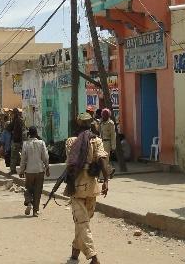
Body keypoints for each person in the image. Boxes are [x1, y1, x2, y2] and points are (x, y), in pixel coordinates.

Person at [65, 113, 109, 264]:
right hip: (92, 187)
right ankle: (74, 253)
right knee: (82, 222)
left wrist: (69, 183)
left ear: (78, 124)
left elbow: (70, 164)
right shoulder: (97, 140)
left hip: (77, 188)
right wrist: (106, 181)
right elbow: (102, 159)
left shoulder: (72, 141)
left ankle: (93, 257)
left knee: (82, 223)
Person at [19, 126, 50, 217]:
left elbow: (23, 159)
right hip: (40, 170)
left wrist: (21, 170)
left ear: (29, 134)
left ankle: (29, 202)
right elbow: (45, 157)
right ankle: (35, 211)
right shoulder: (41, 143)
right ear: (36, 133)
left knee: (28, 188)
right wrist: (47, 168)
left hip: (29, 171)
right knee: (38, 191)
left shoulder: (25, 144)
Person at [99, 109, 116, 178]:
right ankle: (110, 170)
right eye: (102, 115)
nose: (103, 116)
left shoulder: (111, 123)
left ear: (108, 115)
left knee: (105, 159)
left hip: (107, 143)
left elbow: (113, 135)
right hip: (101, 142)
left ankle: (104, 176)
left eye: (105, 115)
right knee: (100, 159)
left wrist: (113, 147)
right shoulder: (101, 122)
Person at [8, 109, 24, 174]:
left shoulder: (16, 120)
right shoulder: (20, 120)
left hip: (16, 141)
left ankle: (13, 170)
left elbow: (9, 128)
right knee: (23, 156)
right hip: (21, 141)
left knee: (14, 156)